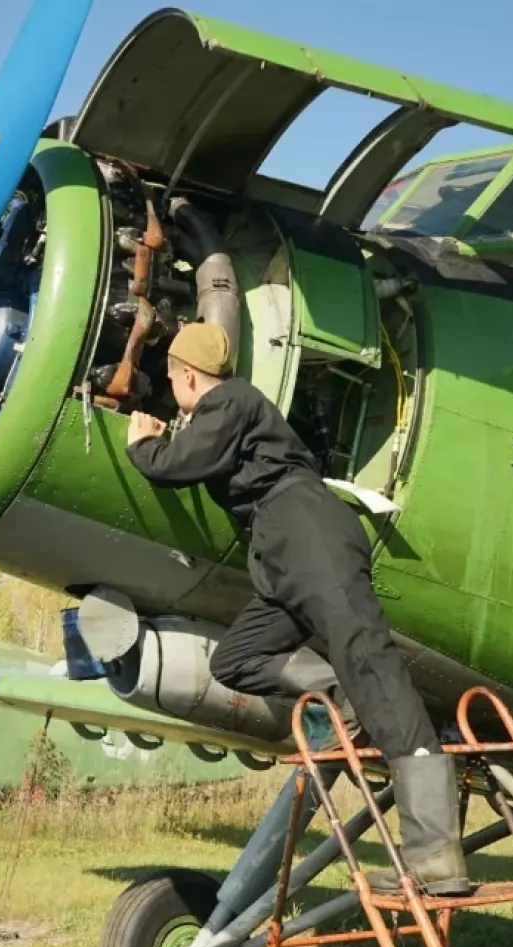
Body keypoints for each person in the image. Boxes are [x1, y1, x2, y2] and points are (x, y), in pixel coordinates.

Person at [124, 321, 469, 897]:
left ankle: (436, 854)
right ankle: (344, 702)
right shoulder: (229, 408)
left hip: (308, 534)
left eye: (172, 381)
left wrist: (143, 444)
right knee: (236, 658)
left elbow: (177, 464)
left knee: (372, 667)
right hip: (283, 554)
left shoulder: (233, 399)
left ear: (187, 375)